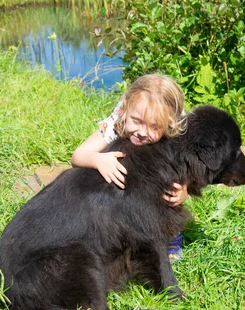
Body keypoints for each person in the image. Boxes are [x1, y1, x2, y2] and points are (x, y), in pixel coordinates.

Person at [71, 73, 189, 261]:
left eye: (154, 127)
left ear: (169, 124)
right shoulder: (117, 121)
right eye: (137, 121)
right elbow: (78, 155)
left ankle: (171, 236)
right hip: (126, 177)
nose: (143, 132)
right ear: (125, 109)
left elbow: (184, 167)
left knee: (171, 185)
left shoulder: (176, 129)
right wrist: (98, 160)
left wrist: (184, 190)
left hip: (157, 171)